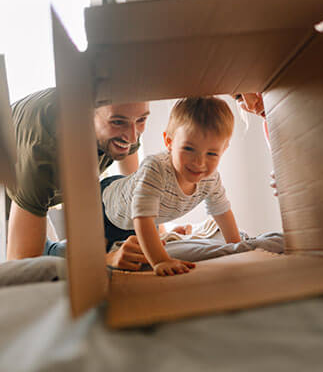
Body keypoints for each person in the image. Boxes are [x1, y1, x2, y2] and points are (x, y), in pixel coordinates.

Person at [6, 87, 150, 269]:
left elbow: (137, 195)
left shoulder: (127, 122)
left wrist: (158, 232)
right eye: (117, 122)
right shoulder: (44, 153)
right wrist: (106, 260)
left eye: (142, 119)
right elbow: (21, 269)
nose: (132, 136)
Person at [101, 97, 241, 276]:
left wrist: (237, 247)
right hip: (105, 208)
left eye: (212, 153)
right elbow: (142, 219)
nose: (199, 162)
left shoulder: (211, 179)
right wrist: (161, 261)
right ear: (169, 141)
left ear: (224, 149)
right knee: (93, 260)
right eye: (189, 149)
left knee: (135, 246)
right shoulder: (156, 169)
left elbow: (222, 212)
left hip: (134, 220)